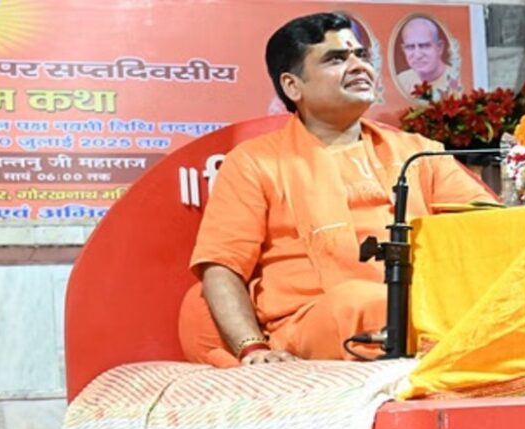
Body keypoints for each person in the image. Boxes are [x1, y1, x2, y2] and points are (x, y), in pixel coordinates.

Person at [178, 12, 494, 367]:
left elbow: (488, 226)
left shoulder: (417, 152)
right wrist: (253, 348)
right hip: (313, 319)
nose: (358, 66)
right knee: (364, 302)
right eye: (336, 59)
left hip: (425, 301)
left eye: (360, 55)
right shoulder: (254, 162)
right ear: (292, 86)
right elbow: (221, 266)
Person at [395, 16, 460, 98]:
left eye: (424, 46)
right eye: (410, 47)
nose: (418, 55)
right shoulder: (401, 81)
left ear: (440, 48)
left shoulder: (457, 79)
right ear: (404, 50)